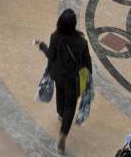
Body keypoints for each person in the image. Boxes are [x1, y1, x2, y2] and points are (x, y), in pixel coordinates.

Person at [35, 9, 91, 153]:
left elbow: (51, 55)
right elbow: (86, 63)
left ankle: (60, 114)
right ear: (74, 25)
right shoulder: (82, 42)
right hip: (73, 80)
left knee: (60, 95)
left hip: (58, 76)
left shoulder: (55, 37)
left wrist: (42, 46)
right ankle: (63, 134)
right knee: (70, 106)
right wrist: (88, 80)